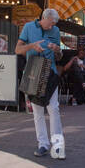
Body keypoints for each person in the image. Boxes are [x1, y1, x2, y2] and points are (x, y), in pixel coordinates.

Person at [15, 8, 65, 158]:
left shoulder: (55, 31)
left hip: (50, 72)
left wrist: (57, 49)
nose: (51, 27)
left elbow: (60, 56)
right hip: (33, 71)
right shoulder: (29, 27)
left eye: (54, 24)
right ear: (43, 18)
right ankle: (43, 144)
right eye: (50, 24)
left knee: (53, 108)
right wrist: (32, 46)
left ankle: (57, 147)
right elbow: (17, 49)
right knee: (37, 111)